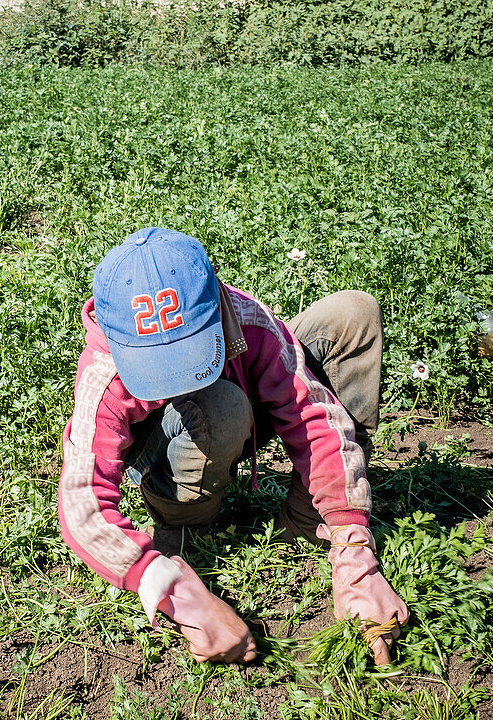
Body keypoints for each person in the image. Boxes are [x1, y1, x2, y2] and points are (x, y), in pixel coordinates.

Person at [58, 227, 409, 665]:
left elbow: (315, 416)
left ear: (217, 299)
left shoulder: (247, 319)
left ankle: (308, 518)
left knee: (351, 316)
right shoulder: (104, 371)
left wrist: (354, 547)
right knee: (218, 403)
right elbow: (81, 502)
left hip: (239, 408)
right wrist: (172, 590)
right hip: (167, 445)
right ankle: (183, 527)